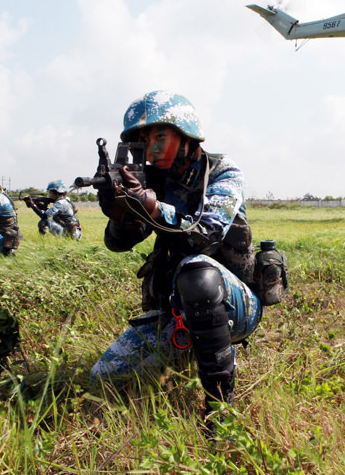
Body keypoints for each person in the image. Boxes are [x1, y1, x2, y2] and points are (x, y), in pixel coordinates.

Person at [90, 91, 261, 423]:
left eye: (158, 135)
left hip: (236, 303)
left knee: (196, 272)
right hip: (173, 310)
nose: (150, 147)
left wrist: (152, 205)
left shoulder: (222, 171)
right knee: (105, 376)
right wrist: (120, 211)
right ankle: (190, 345)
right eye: (142, 140)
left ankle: (219, 410)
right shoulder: (152, 180)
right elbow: (119, 243)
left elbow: (206, 234)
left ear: (185, 134)